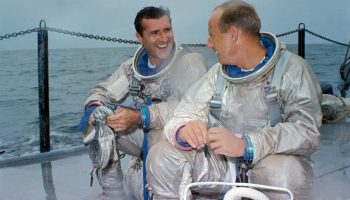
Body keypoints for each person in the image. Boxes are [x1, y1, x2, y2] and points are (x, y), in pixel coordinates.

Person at [146, 1, 323, 199]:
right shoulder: (217, 75)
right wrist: (183, 129)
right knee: (161, 155)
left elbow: (307, 132)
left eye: (212, 36)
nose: (209, 44)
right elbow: (183, 113)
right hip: (223, 166)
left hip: (272, 165)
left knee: (283, 174)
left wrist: (246, 145)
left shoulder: (293, 70)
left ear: (233, 34)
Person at [79, 6, 207, 199]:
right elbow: (102, 92)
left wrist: (141, 116)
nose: (163, 38)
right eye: (155, 33)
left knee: (157, 139)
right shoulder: (133, 68)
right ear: (140, 37)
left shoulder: (190, 62)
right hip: (145, 134)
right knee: (100, 125)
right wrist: (95, 110)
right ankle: (113, 193)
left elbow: (190, 109)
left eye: (167, 30)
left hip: (181, 138)